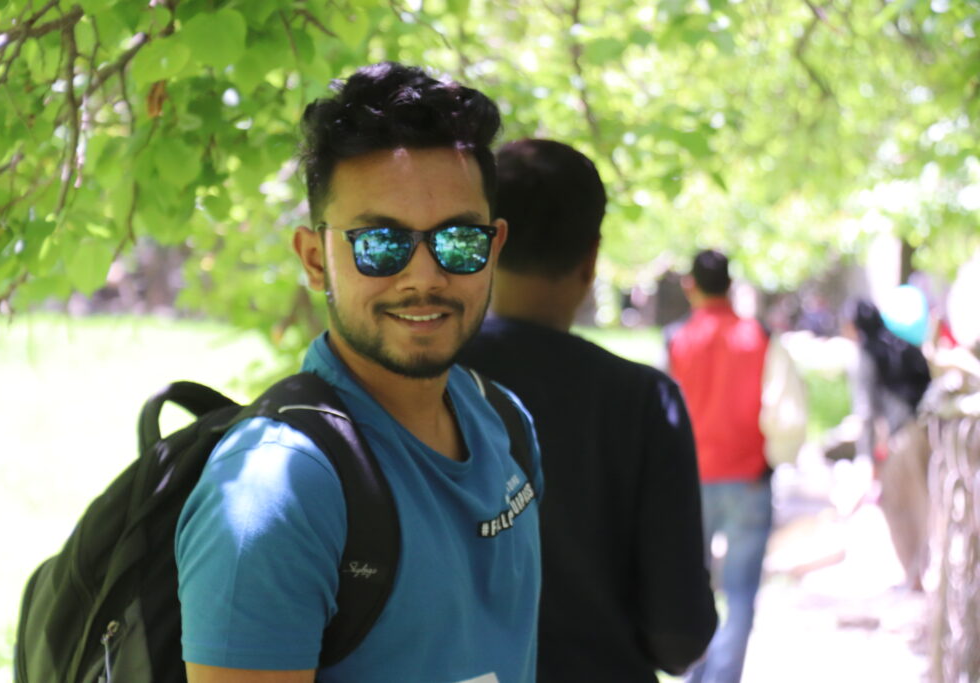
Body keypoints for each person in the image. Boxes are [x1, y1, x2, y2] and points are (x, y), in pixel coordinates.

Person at [175, 62, 543, 683]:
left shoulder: (504, 421)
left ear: (494, 248)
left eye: (459, 240)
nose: (424, 276)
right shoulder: (275, 492)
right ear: (315, 259)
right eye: (380, 244)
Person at [459, 139, 717, 682]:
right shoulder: (644, 402)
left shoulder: (421, 381)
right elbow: (680, 635)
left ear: (487, 242)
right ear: (591, 257)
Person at [666, 249, 773, 683]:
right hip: (750, 476)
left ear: (690, 285)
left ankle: (696, 674)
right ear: (730, 285)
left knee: (693, 587)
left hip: (694, 478)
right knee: (741, 592)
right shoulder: (758, 335)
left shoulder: (677, 338)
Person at [848, 298, 931, 590]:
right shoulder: (905, 346)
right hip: (926, 433)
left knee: (898, 508)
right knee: (924, 503)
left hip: (899, 440)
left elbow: (866, 412)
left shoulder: (867, 354)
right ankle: (925, 572)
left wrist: (867, 459)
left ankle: (916, 576)